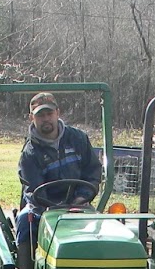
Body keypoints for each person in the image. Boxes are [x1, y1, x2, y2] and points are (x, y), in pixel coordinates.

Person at [15, 91, 103, 256]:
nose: (46, 118)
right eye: (41, 115)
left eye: (49, 113)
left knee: (102, 229)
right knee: (23, 222)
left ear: (57, 113)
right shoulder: (30, 153)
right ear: (31, 118)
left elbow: (93, 172)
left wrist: (81, 198)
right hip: (44, 208)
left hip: (80, 203)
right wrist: (53, 209)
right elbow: (32, 189)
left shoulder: (78, 139)